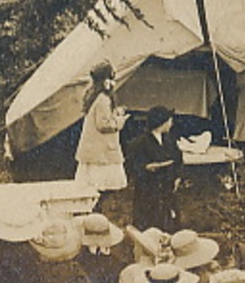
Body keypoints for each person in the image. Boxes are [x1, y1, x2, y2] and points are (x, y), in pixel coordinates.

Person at [75, 61, 128, 192]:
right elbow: (103, 124)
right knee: (102, 188)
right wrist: (119, 122)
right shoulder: (104, 98)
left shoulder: (93, 95)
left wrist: (115, 112)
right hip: (102, 153)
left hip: (94, 150)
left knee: (94, 187)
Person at [128, 106, 181, 233]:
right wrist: (146, 168)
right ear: (161, 122)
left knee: (168, 219)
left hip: (167, 187)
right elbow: (132, 165)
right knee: (149, 221)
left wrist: (178, 177)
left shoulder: (170, 140)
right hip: (148, 189)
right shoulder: (140, 143)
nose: (171, 123)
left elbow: (178, 159)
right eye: (169, 120)